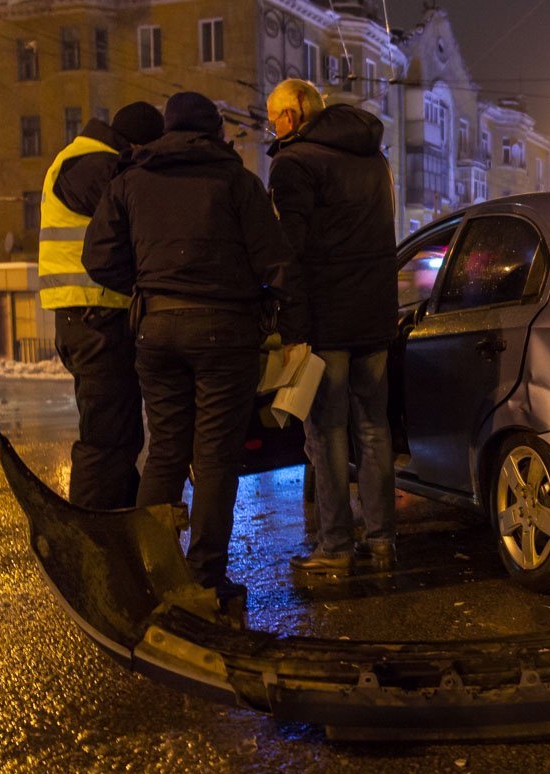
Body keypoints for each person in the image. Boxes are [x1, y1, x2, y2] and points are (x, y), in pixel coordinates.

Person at [83, 91, 306, 599]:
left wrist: (147, 282)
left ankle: (152, 572)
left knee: (164, 451)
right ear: (216, 133)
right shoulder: (237, 182)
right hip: (225, 335)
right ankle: (204, 576)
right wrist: (286, 318)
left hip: (156, 331)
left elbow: (98, 259)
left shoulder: (130, 181)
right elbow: (276, 262)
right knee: (213, 458)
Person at [265, 79, 398, 575]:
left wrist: (291, 324)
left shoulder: (294, 163)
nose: (271, 125)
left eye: (274, 114)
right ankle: (383, 542)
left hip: (327, 319)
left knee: (325, 430)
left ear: (296, 112)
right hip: (375, 315)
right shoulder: (373, 157)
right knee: (374, 428)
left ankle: (336, 546)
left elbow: (288, 253)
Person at [39, 102, 164, 510]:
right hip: (93, 318)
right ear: (137, 145)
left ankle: (118, 531)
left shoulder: (87, 160)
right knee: (106, 439)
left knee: (121, 436)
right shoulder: (93, 165)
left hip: (91, 318)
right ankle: (92, 540)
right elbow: (138, 217)